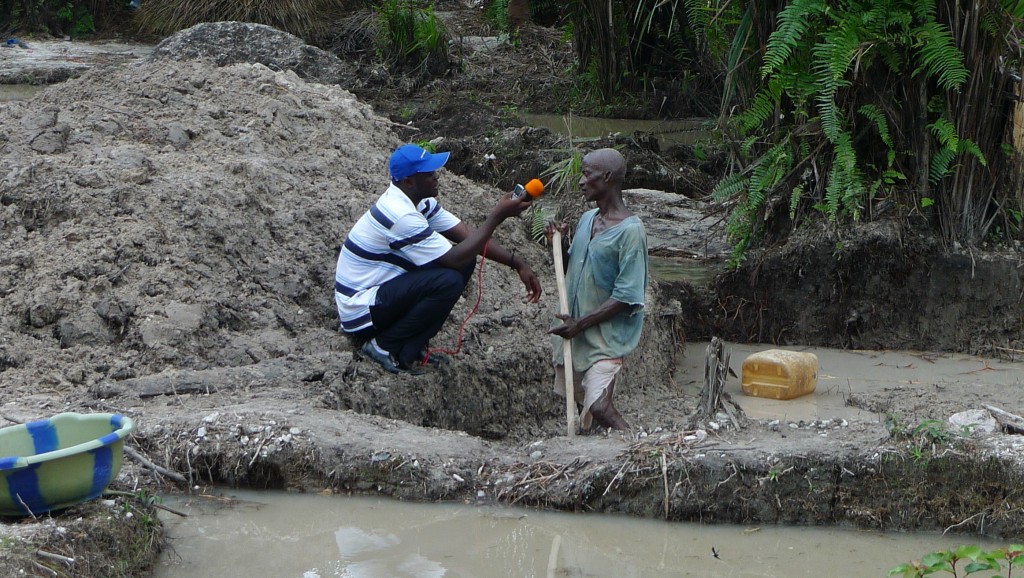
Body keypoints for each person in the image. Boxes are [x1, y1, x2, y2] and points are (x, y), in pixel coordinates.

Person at [336, 143, 542, 374]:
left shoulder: (419, 202)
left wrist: (517, 263)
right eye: (429, 174)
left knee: (466, 261)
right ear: (408, 182)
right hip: (361, 310)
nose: (436, 177)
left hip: (381, 294)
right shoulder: (400, 215)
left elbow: (465, 234)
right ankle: (382, 346)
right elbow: (453, 258)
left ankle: (409, 349)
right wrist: (496, 216)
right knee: (448, 280)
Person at [546, 148, 648, 431]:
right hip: (580, 334)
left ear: (606, 177)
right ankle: (597, 449)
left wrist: (581, 324)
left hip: (606, 338)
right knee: (583, 402)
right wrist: (560, 244)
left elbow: (628, 296)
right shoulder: (587, 220)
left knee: (599, 405)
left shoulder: (631, 231)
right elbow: (575, 267)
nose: (581, 181)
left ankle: (637, 446)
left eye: (586, 174)